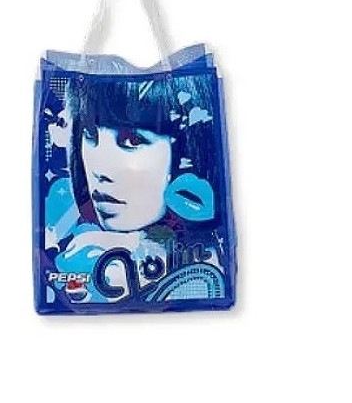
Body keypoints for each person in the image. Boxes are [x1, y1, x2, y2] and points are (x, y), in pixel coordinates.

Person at [47, 70, 225, 303]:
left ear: (187, 151)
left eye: (132, 140)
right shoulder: (82, 251)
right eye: (90, 134)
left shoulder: (207, 270)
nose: (101, 170)